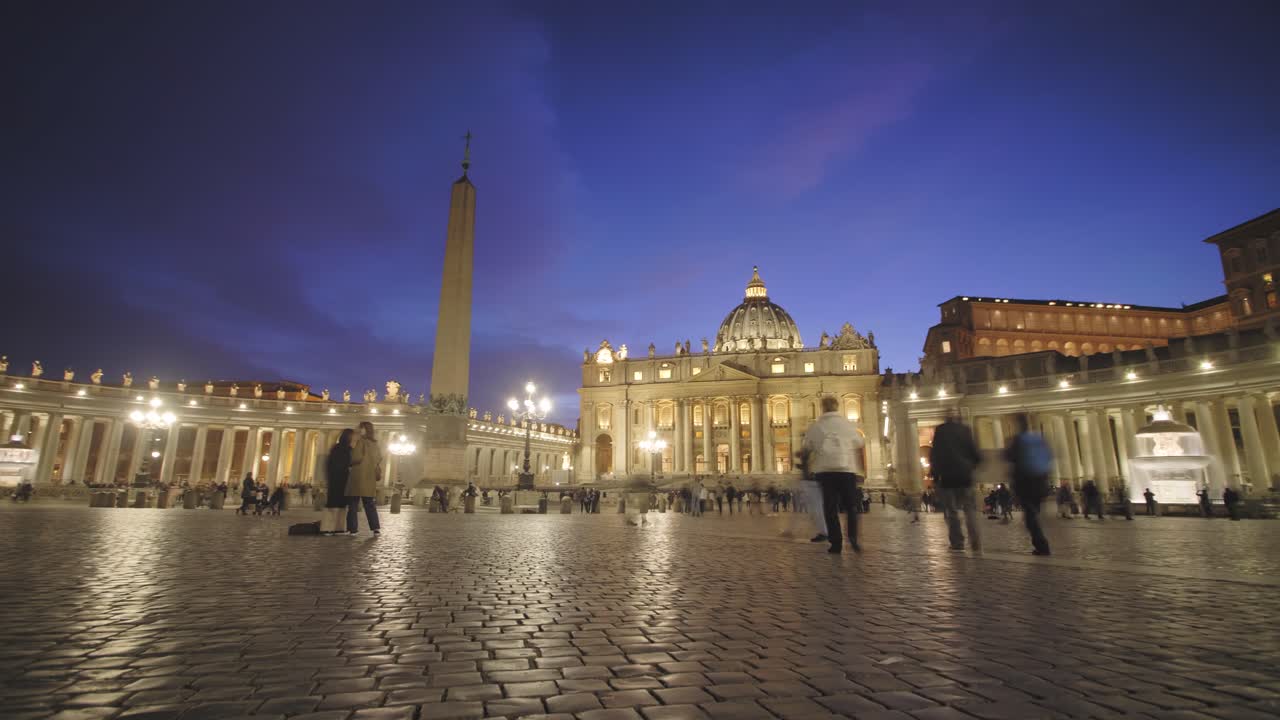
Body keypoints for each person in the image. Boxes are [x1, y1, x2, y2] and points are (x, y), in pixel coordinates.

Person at [802, 395, 865, 554]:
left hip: (825, 470)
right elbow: (859, 442)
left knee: (830, 508)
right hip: (846, 470)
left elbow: (806, 446)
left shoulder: (816, 426)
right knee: (851, 506)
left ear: (822, 408)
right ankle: (853, 538)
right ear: (837, 407)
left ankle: (836, 543)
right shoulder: (847, 425)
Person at [929, 410, 982, 552]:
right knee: (969, 509)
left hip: (947, 477)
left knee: (952, 511)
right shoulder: (965, 430)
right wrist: (973, 467)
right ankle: (975, 540)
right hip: (965, 476)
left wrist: (934, 475)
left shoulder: (940, 430)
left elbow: (935, 454)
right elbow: (975, 452)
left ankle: (957, 542)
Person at [1005, 414, 1052, 555]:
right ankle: (1041, 542)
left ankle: (1041, 545)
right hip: (1040, 480)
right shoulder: (1038, 438)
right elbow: (1049, 456)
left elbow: (1009, 457)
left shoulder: (1018, 440)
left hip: (1026, 482)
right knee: (1034, 513)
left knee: (1030, 516)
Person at [346, 421, 382, 535]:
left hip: (358, 475)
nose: (357, 430)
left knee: (353, 504)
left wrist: (349, 459)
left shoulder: (360, 442)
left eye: (359, 428)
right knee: (369, 504)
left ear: (363, 430)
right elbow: (380, 457)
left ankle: (353, 529)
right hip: (369, 476)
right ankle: (375, 528)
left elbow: (356, 457)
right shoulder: (375, 444)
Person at [322, 429, 353, 534]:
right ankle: (328, 528)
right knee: (334, 504)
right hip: (338, 479)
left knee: (340, 505)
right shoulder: (339, 449)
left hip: (341, 479)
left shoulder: (344, 449)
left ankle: (338, 528)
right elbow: (331, 464)